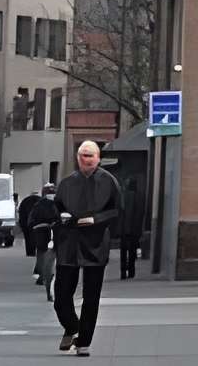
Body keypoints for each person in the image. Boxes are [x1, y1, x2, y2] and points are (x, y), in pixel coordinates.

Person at [50, 141, 122, 353]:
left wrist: (96, 219)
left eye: (90, 155)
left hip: (95, 242)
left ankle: (84, 342)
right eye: (82, 155)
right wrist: (60, 217)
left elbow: (117, 210)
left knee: (92, 296)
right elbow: (57, 207)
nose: (86, 159)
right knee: (61, 295)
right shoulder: (67, 183)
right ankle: (73, 326)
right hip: (69, 242)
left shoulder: (109, 182)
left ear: (98, 158)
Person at [20, 180, 58, 290]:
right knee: (52, 252)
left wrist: (32, 227)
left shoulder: (38, 204)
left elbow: (31, 219)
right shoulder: (57, 203)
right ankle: (48, 274)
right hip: (52, 230)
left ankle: (41, 275)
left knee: (41, 252)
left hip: (39, 230)